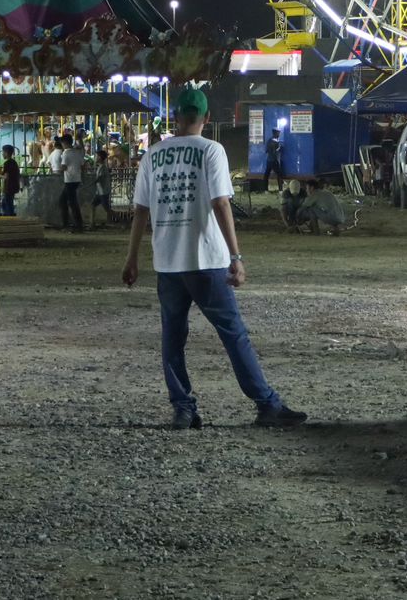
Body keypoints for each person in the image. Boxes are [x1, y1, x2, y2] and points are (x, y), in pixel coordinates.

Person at [121, 88, 306, 429]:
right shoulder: (211, 150)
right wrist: (236, 256)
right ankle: (266, 404)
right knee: (232, 333)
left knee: (172, 338)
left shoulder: (152, 155)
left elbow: (140, 212)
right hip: (206, 259)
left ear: (175, 117)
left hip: (167, 262)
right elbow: (221, 204)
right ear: (206, 118)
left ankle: (183, 408)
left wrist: (132, 259)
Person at [59, 138, 86, 232]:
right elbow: (83, 165)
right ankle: (72, 223)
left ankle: (75, 224)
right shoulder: (77, 152)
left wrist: (59, 170)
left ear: (65, 143)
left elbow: (63, 166)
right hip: (76, 179)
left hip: (69, 179)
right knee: (67, 201)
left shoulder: (66, 153)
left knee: (70, 202)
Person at [92, 150, 115, 225]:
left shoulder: (103, 168)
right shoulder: (101, 167)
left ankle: (117, 219)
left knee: (106, 208)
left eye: (96, 156)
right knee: (94, 205)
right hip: (100, 191)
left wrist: (93, 182)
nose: (95, 158)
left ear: (100, 157)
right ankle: (92, 222)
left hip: (103, 191)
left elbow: (100, 178)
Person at [0, 145, 20, 216]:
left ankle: (9, 219)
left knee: (7, 205)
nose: (2, 154)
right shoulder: (14, 162)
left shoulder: (7, 163)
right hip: (14, 186)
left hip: (8, 187)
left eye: (3, 152)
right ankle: (10, 216)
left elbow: (6, 177)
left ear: (6, 153)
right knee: (6, 203)